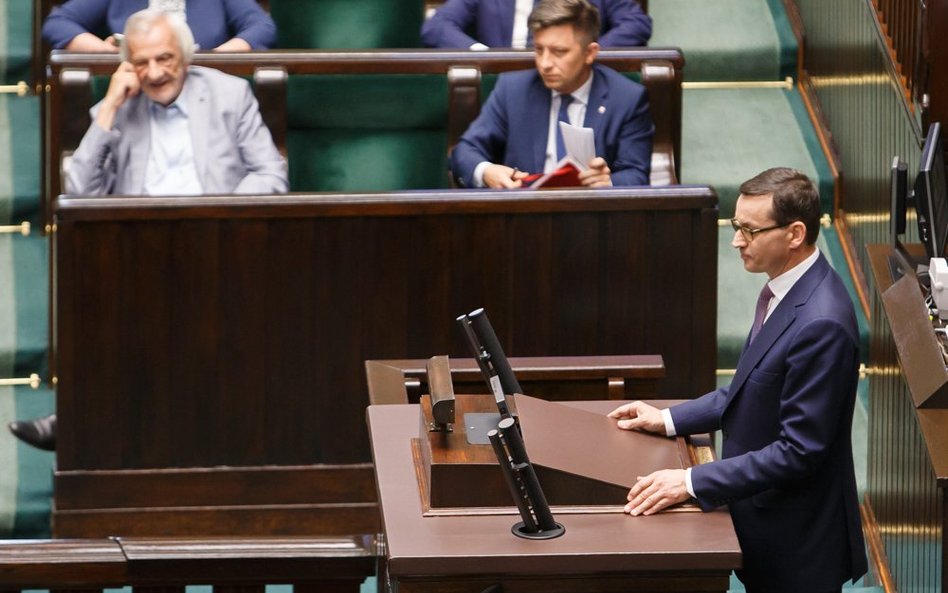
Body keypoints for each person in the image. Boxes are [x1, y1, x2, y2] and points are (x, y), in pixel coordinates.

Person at [8, 9, 288, 451]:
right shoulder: (117, 107)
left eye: (165, 59)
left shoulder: (230, 95)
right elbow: (79, 191)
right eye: (142, 63)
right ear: (128, 65)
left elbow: (271, 176)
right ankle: (83, 418)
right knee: (99, 281)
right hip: (140, 246)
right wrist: (112, 108)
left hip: (221, 239)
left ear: (186, 55)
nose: (155, 74)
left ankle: (96, 423)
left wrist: (215, 214)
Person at [608, 168, 868, 593]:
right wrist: (670, 419)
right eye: (735, 226)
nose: (735, 241)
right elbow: (753, 388)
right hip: (764, 520)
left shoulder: (822, 322)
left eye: (749, 230)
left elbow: (799, 450)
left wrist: (690, 481)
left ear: (795, 233)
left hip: (797, 542)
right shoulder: (784, 290)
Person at [449, 0, 653, 189]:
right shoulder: (513, 90)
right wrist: (486, 171)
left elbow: (636, 173)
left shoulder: (627, 98)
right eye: (539, 50)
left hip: (590, 219)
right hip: (524, 217)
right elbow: (464, 152)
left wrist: (608, 183)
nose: (544, 64)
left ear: (590, 53)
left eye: (559, 52)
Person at [42, 0, 277, 52]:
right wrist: (109, 53)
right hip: (137, 89)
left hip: (207, 87)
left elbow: (262, 28)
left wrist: (217, 57)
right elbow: (57, 24)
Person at [421, 0, 651, 49]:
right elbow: (437, 26)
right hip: (501, 83)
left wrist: (582, 53)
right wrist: (480, 54)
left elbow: (636, 24)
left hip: (575, 79)